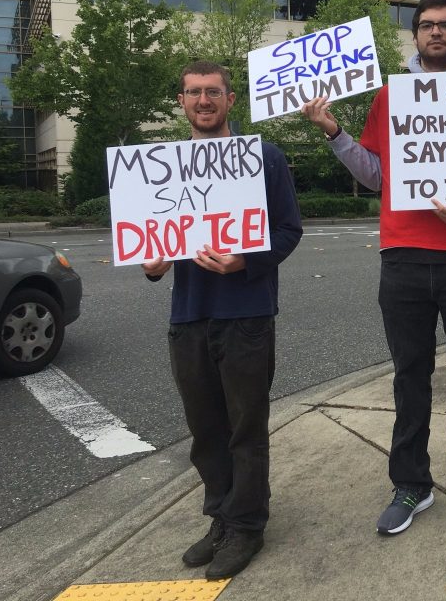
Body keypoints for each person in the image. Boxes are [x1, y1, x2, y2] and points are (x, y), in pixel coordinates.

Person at [301, 0, 446, 535]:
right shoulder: (391, 98)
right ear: (416, 35)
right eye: (427, 26)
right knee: (410, 375)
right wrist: (335, 133)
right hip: (402, 257)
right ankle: (410, 483)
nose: (436, 34)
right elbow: (378, 177)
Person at [143, 60, 303, 580]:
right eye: (194, 92)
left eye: (213, 92)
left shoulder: (266, 159)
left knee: (245, 428)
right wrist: (154, 258)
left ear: (231, 100)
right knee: (205, 429)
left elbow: (288, 230)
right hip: (188, 314)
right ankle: (221, 518)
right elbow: (151, 247)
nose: (204, 100)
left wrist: (245, 260)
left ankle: (248, 526)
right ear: (182, 101)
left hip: (246, 314)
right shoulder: (160, 166)